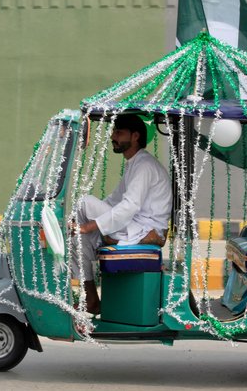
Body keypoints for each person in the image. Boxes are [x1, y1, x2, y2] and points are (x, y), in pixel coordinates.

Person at [71, 114, 172, 314]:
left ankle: (91, 299)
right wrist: (81, 225)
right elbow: (113, 201)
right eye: (114, 132)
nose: (113, 137)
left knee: (84, 204)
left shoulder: (144, 165)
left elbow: (129, 207)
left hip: (144, 230)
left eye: (119, 133)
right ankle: (92, 300)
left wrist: (89, 225)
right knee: (77, 238)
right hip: (133, 225)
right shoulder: (134, 163)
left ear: (135, 136)